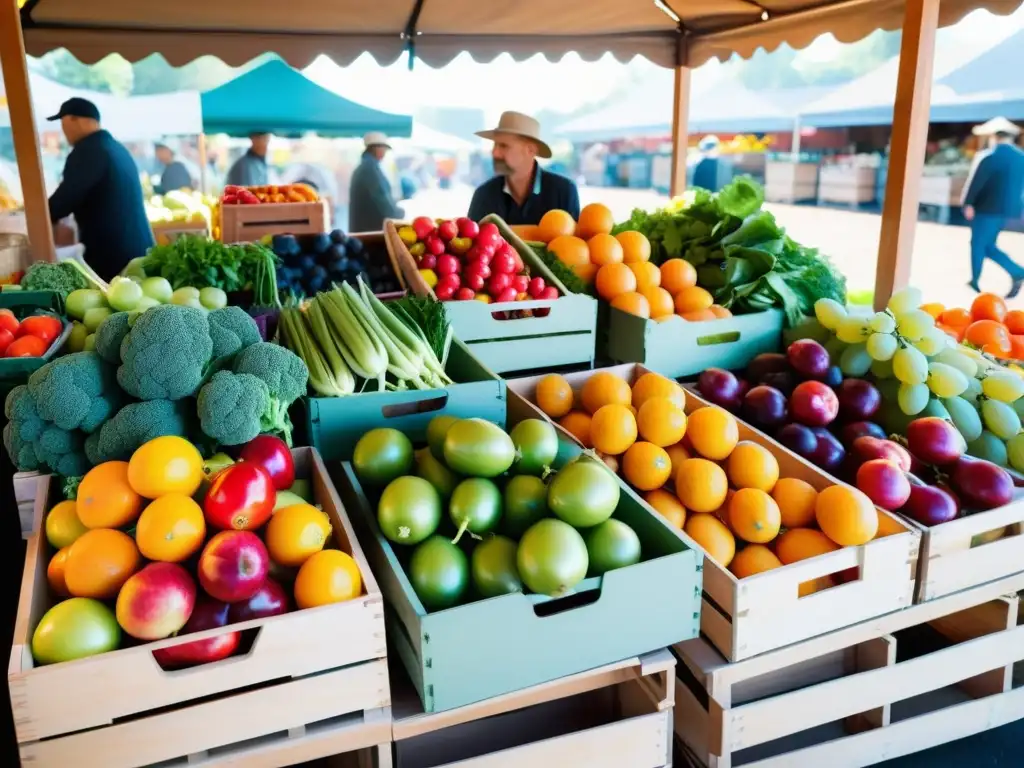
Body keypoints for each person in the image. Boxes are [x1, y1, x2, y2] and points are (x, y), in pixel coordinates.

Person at [46, 98, 154, 281]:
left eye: (62, 122)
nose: (63, 131)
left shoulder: (89, 151)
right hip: (137, 250)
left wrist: (34, 215)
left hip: (115, 258)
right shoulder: (114, 147)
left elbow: (63, 201)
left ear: (75, 119)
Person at [468, 111, 579, 224]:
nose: (494, 153)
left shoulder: (564, 192)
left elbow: (574, 241)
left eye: (503, 146)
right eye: (494, 145)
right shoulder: (484, 194)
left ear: (531, 150)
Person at [961, 117, 1024, 299]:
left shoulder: (989, 156)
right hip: (1007, 211)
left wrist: (968, 203)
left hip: (985, 208)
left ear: (994, 138)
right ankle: (1015, 272)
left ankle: (976, 279)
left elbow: (976, 182)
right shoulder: (1021, 158)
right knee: (987, 245)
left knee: (978, 244)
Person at [348, 132, 404, 232]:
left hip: (363, 230)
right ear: (376, 148)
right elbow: (383, 202)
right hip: (369, 232)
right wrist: (400, 213)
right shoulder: (369, 170)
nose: (384, 152)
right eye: (384, 149)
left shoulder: (365, 168)